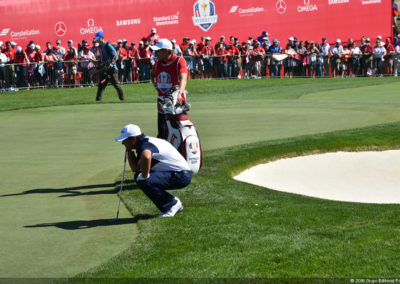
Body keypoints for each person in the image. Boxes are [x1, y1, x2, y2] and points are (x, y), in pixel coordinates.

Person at [116, 124, 192, 217]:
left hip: (181, 175)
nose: (122, 143)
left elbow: (146, 156)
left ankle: (172, 204)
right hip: (178, 174)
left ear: (133, 139)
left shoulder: (145, 145)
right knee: (139, 177)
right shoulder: (144, 143)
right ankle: (172, 203)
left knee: (144, 180)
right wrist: (129, 150)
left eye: (124, 140)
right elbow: (135, 168)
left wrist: (145, 176)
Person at [150, 39, 188, 139]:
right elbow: (153, 74)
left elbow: (183, 78)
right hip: (162, 106)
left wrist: (180, 92)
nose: (156, 53)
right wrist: (155, 86)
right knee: (162, 134)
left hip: (176, 105)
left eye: (158, 51)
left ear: (167, 51)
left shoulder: (179, 61)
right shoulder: (157, 63)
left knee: (178, 135)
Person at [93, 31, 125, 101]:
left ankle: (123, 99)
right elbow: (102, 58)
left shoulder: (108, 45)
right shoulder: (100, 47)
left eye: (97, 38)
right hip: (105, 71)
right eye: (96, 39)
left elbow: (116, 56)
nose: (96, 40)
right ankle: (98, 101)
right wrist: (97, 63)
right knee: (101, 84)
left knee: (116, 85)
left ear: (102, 38)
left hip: (112, 70)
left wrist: (111, 64)